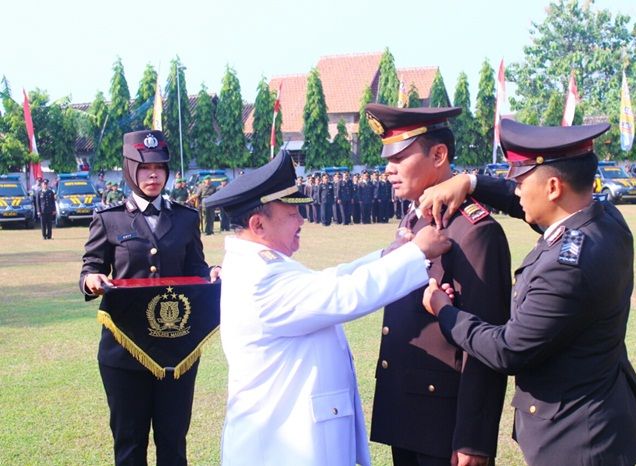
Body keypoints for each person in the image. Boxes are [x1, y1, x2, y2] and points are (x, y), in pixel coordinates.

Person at [420, 119, 636, 466]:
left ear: (553, 188)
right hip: (601, 421)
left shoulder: (565, 268)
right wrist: (471, 182)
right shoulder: (605, 219)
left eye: (520, 180)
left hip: (575, 440)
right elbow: (530, 208)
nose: (514, 189)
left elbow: (509, 349)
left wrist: (444, 311)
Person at [203, 151, 451, 466]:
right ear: (258, 224)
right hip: (282, 449)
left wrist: (388, 254)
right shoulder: (260, 280)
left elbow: (325, 281)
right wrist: (416, 253)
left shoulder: (262, 265)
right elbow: (341, 294)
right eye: (291, 214)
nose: (302, 220)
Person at [365, 104, 512, 466]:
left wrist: (474, 440)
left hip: (443, 428)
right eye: (388, 158)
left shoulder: (474, 232)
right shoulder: (415, 220)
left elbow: (485, 344)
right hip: (407, 412)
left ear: (439, 155)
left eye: (400, 156)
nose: (388, 169)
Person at [79, 130, 221, 466]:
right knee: (129, 444)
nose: (153, 175)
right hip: (124, 350)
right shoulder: (108, 218)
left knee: (173, 443)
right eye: (144, 168)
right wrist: (91, 280)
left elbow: (197, 267)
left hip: (176, 347)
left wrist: (211, 273)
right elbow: (90, 268)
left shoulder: (185, 218)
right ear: (130, 170)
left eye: (159, 167)